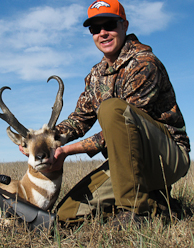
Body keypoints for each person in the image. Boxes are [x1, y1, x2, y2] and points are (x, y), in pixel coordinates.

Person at [22, 0, 191, 229]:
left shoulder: (143, 64)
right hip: (126, 163)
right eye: (95, 28)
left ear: (124, 25)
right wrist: (42, 142)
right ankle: (159, 205)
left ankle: (134, 213)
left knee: (112, 109)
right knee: (65, 215)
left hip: (166, 157)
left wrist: (66, 150)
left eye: (109, 24)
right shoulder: (96, 74)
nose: (102, 33)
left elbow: (123, 124)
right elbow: (79, 119)